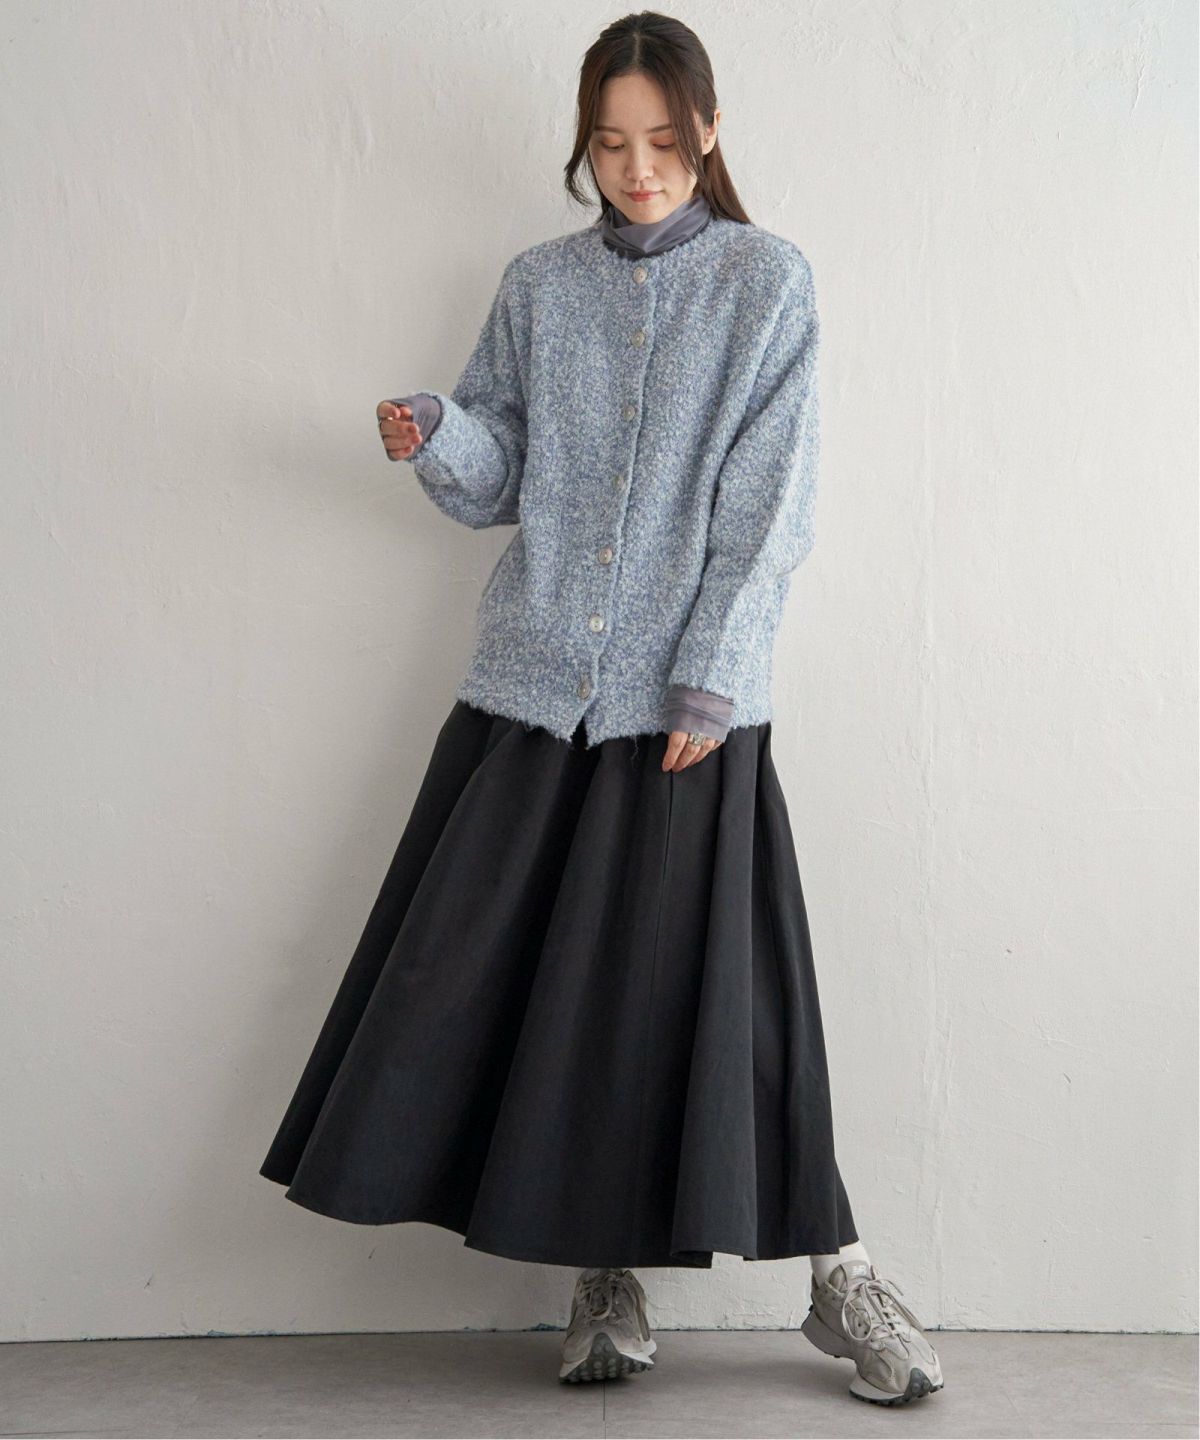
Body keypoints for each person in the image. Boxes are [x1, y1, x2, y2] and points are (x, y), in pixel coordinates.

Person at [258, 10, 943, 1409]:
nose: (637, 169)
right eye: (612, 143)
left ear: (709, 132)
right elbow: (501, 467)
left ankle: (841, 1274)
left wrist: (711, 673)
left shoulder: (765, 282)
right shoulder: (539, 284)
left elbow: (772, 503)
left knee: (740, 1011)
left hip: (687, 709)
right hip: (531, 696)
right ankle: (605, 1279)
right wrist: (437, 433)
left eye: (664, 141)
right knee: (542, 1001)